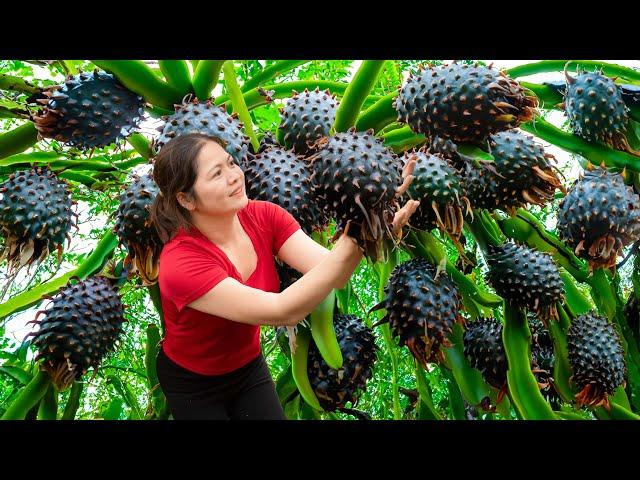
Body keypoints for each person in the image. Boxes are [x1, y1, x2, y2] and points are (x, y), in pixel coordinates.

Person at [150, 132, 419, 420]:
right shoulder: (180, 264)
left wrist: (375, 212)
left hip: (247, 366)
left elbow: (332, 271)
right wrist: (359, 231)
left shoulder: (265, 216)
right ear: (186, 199)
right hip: (193, 384)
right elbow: (283, 310)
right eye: (216, 174)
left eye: (231, 163)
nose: (234, 177)